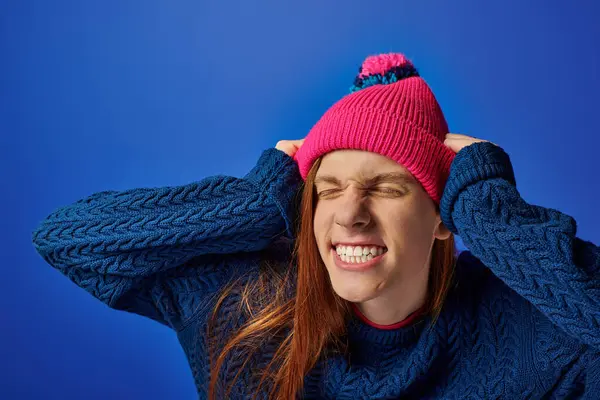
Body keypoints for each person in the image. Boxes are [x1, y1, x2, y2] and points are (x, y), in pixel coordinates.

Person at [32, 53, 600, 399]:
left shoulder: (527, 330)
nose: (350, 213)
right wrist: (258, 200)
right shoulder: (244, 303)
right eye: (328, 190)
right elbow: (69, 240)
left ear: (443, 219)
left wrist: (485, 201)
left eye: (386, 187)